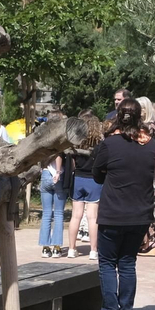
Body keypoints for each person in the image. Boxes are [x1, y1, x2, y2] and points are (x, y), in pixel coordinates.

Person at [85, 98, 155, 310]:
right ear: (140, 117)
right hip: (141, 214)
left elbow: (96, 174)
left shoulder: (111, 144)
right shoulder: (151, 143)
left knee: (107, 263)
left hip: (113, 213)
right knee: (128, 263)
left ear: (117, 115)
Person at [65, 109, 101, 258]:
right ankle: (93, 250)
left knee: (75, 216)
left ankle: (72, 249)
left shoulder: (76, 143)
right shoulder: (99, 144)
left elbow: (72, 164)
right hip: (93, 180)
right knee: (92, 217)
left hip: (78, 179)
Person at [38, 153, 67, 257]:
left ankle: (45, 248)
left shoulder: (43, 144)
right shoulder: (59, 142)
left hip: (45, 174)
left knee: (46, 214)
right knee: (58, 214)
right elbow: (58, 155)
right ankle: (56, 248)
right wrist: (58, 171)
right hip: (58, 176)